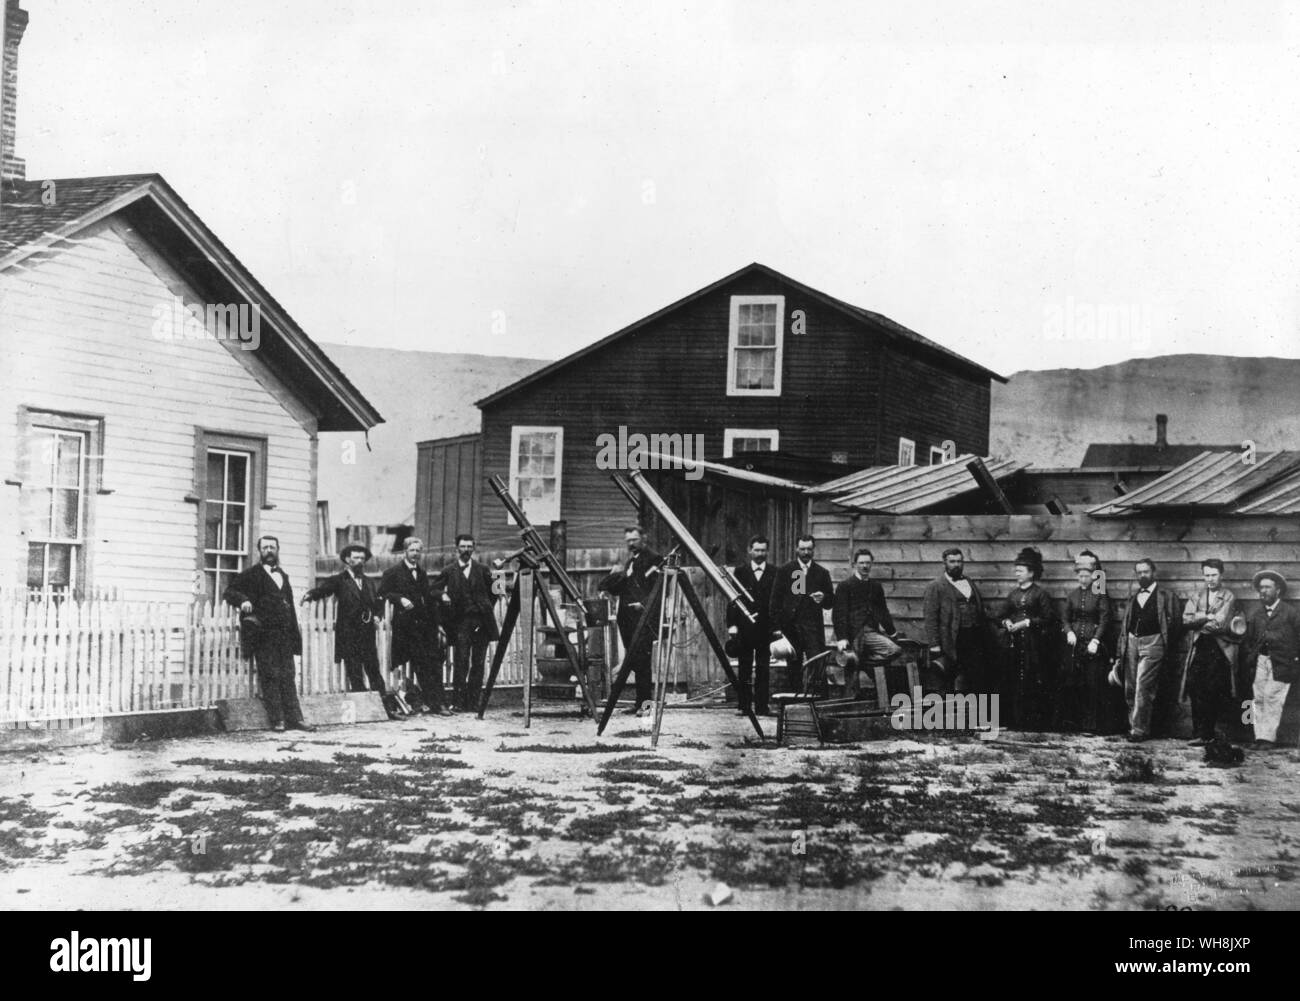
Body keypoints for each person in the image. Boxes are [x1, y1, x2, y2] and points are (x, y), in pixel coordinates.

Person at [223, 535, 315, 732]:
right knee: (270, 676)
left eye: (272, 547)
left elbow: (289, 607)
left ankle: (296, 719)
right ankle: (277, 719)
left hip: (284, 635)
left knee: (288, 675)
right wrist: (243, 600)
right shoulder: (251, 574)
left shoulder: (283, 575)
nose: (269, 551)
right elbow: (229, 591)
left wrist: (293, 635)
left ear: (278, 550)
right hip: (263, 634)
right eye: (265, 548)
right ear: (259, 551)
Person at [301, 544, 399, 719]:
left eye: (362, 558)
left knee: (374, 670)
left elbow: (378, 601)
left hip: (367, 633)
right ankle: (363, 712)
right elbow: (323, 590)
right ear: (347, 559)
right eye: (356, 558)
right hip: (349, 634)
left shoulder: (369, 582)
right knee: (354, 673)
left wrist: (377, 615)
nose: (360, 561)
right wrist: (309, 595)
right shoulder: (340, 580)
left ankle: (385, 710)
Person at [378, 537, 452, 717]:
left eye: (418, 550)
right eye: (412, 550)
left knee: (432, 665)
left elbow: (427, 599)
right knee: (424, 664)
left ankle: (438, 703)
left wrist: (438, 624)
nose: (415, 554)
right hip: (406, 628)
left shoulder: (422, 573)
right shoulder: (393, 572)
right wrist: (399, 598)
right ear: (405, 552)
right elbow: (382, 593)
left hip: (424, 626)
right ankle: (435, 703)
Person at [1109, 557, 1181, 743]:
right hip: (1132, 642)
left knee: (1143, 686)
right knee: (1130, 686)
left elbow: (1175, 624)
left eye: (1146, 572)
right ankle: (1134, 726)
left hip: (1154, 642)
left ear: (1153, 572)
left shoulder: (1166, 596)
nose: (1142, 575)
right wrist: (1120, 652)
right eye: (1139, 572)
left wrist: (1164, 644)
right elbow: (1125, 626)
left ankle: (1140, 730)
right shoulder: (1133, 597)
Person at [599, 526, 662, 715]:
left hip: (643, 618)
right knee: (635, 660)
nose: (630, 544)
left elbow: (658, 589)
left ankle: (647, 707)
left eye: (634, 539)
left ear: (644, 539)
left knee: (643, 661)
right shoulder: (630, 562)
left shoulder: (654, 559)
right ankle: (639, 703)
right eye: (628, 540)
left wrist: (643, 604)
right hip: (627, 619)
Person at [1179, 558, 1241, 746]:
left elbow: (1220, 624)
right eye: (1207, 575)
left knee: (1213, 689)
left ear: (1221, 575)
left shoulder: (1228, 596)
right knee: (1195, 686)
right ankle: (1198, 732)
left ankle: (1208, 733)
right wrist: (1206, 616)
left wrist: (1201, 623)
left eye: (1214, 575)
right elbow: (1186, 619)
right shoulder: (1197, 596)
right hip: (1199, 646)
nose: (1210, 579)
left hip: (1219, 648)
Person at [996, 547, 1057, 731]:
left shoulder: (1040, 594)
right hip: (1014, 644)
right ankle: (1014, 720)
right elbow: (1001, 615)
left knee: (1033, 679)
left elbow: (1049, 618)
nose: (1017, 573)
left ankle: (1033, 722)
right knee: (1013, 679)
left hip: (1034, 645)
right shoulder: (1013, 594)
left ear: (1031, 573)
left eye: (1021, 570)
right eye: (1016, 570)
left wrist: (1026, 623)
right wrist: (1006, 622)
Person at [439, 533, 501, 713]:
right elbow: (434, 589)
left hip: (481, 622)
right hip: (460, 623)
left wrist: (487, 605)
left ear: (473, 548)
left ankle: (474, 702)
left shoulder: (482, 569)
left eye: (469, 547)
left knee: (479, 662)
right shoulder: (448, 570)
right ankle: (458, 702)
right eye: (462, 547)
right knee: (461, 661)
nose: (466, 550)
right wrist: (442, 595)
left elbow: (497, 590)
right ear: (456, 548)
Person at [832, 548, 904, 701]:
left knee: (894, 650)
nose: (865, 566)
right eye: (861, 563)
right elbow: (839, 614)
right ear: (854, 564)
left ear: (871, 564)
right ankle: (849, 704)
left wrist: (892, 633)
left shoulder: (875, 586)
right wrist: (842, 638)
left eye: (867, 563)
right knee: (851, 675)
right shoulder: (845, 586)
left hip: (871, 632)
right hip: (853, 633)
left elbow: (883, 611)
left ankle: (863, 663)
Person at [1241, 570, 1300, 749]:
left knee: (1272, 697)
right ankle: (1259, 738)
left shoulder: (1290, 613)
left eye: (1268, 587)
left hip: (1282, 663)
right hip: (1260, 661)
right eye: (1261, 588)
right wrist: (1252, 656)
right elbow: (1248, 639)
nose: (1263, 591)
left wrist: (1294, 659)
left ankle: (1268, 738)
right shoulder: (1256, 613)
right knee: (1258, 697)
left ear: (1278, 591)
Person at [1059, 550, 1116, 734]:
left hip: (1093, 647)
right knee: (1073, 682)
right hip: (1075, 645)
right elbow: (1065, 618)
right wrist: (1069, 632)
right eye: (1080, 575)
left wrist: (1096, 640)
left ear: (1093, 576)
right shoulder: (1072, 595)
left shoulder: (1100, 594)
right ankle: (1072, 723)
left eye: (1086, 575)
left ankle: (1091, 726)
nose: (1083, 579)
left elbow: (1105, 618)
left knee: (1093, 684)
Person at [769, 534, 835, 694]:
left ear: (814, 550)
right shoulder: (785, 571)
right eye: (803, 549)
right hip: (790, 626)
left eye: (809, 549)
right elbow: (775, 601)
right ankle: (795, 700)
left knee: (817, 663)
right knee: (793, 666)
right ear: (796, 549)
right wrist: (776, 627)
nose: (806, 552)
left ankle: (816, 700)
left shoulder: (821, 573)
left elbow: (830, 602)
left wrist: (823, 597)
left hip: (813, 627)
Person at [922, 548, 991, 694]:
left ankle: (974, 711)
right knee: (949, 677)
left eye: (959, 561)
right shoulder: (936, 586)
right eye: (952, 561)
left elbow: (978, 606)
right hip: (953, 638)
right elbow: (930, 618)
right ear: (944, 563)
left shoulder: (969, 581)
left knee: (976, 675)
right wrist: (934, 644)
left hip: (974, 636)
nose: (956, 565)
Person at [727, 535, 776, 716]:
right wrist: (731, 625)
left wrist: (777, 627)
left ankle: (762, 707)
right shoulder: (740, 572)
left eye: (763, 550)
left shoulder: (775, 572)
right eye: (756, 550)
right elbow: (732, 600)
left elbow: (777, 602)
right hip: (745, 628)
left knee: (764, 669)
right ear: (749, 550)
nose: (760, 554)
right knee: (744, 668)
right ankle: (744, 706)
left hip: (765, 628)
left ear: (767, 552)